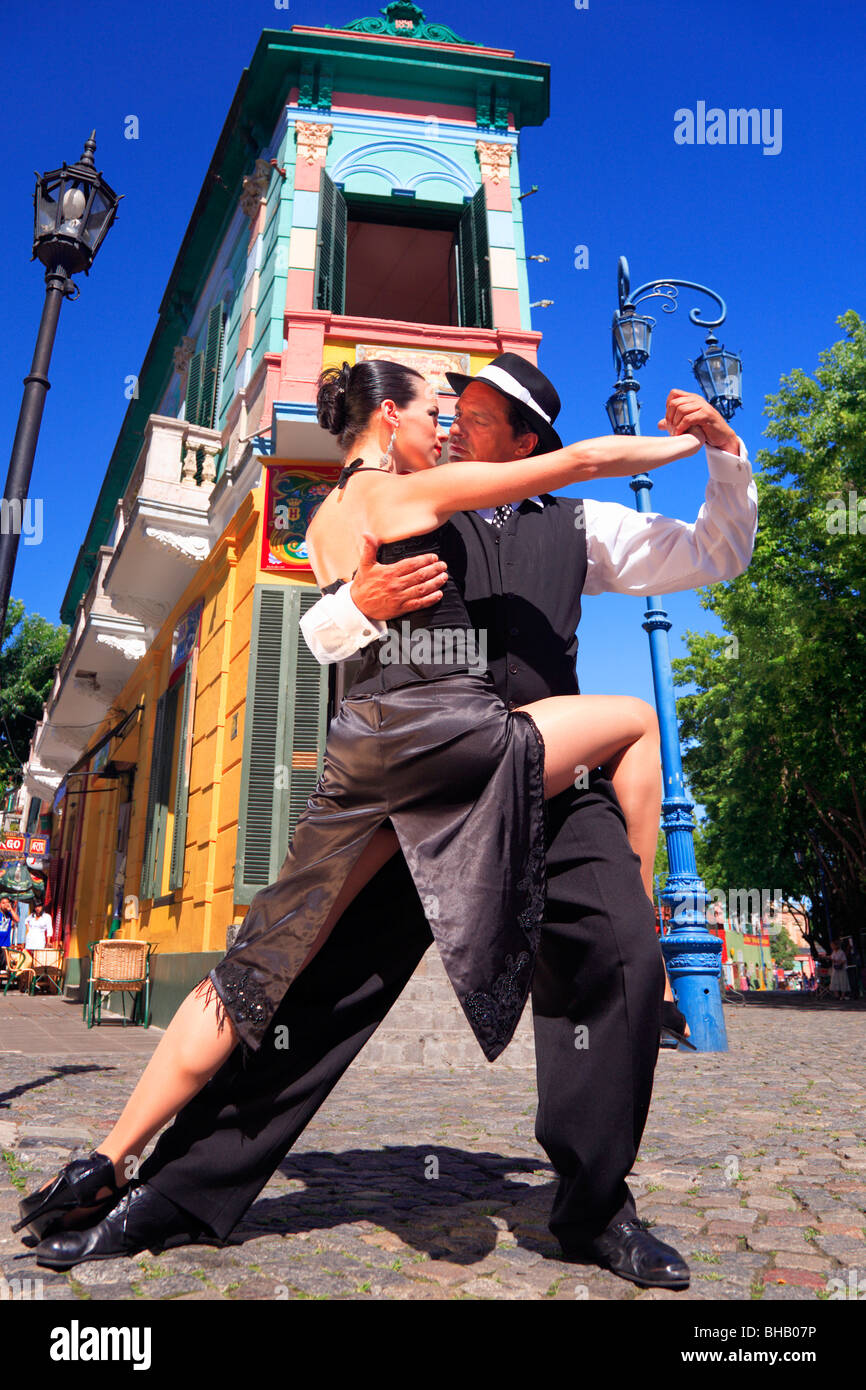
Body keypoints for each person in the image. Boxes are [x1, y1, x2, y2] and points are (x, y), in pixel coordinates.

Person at [25, 355, 755, 1292]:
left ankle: (593, 1209)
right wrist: (350, 613)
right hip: (415, 784)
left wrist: (725, 458)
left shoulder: (583, 525)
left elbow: (714, 552)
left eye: (479, 416)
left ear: (524, 438)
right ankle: (168, 1195)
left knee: (622, 957)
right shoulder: (401, 498)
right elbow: (326, 632)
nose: (454, 427)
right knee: (311, 992)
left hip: (542, 779)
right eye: (447, 412)